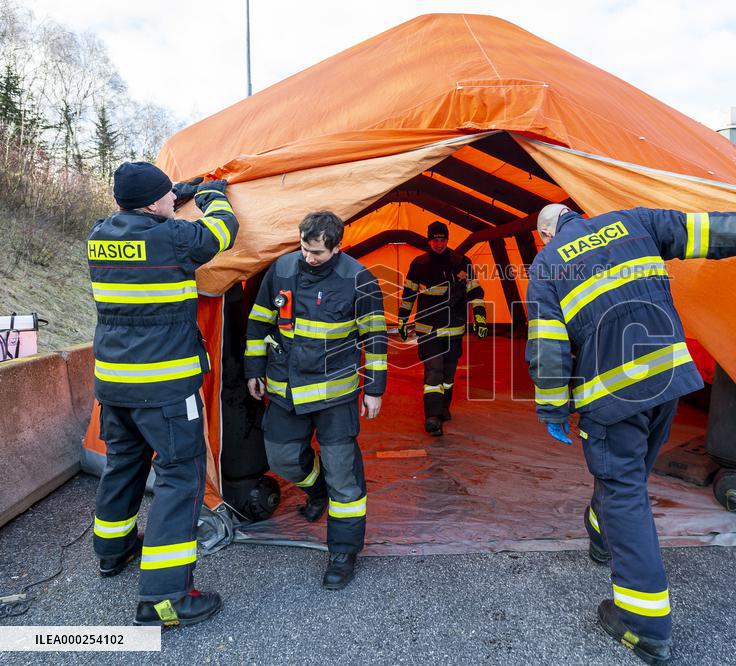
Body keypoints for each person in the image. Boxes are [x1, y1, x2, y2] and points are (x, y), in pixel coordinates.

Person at [525, 202, 736, 665]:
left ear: (545, 235)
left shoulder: (547, 265)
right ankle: (600, 534)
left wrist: (552, 407)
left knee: (622, 487)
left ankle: (642, 624)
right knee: (627, 477)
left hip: (613, 397)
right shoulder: (633, 223)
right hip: (669, 381)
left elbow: (549, 347)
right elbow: (721, 230)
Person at [89, 162, 238, 627]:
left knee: (123, 464)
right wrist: (213, 195)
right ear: (155, 202)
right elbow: (222, 232)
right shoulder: (174, 237)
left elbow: (146, 219)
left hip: (115, 386)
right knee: (179, 479)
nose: (173, 203)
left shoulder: (98, 236)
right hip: (168, 390)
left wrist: (177, 190)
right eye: (167, 198)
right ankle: (165, 599)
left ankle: (112, 553)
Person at [244, 211, 387, 590]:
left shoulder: (359, 279)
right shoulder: (281, 269)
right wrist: (252, 369)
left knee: (344, 473)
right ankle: (316, 487)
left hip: (335, 395)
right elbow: (259, 321)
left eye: (318, 253)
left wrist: (374, 388)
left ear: (338, 246)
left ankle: (343, 552)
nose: (308, 258)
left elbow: (375, 337)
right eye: (304, 249)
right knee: (281, 457)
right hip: (285, 389)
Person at [395, 221, 487, 436]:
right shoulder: (419, 264)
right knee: (434, 371)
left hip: (453, 331)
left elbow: (476, 293)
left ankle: (443, 407)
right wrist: (402, 320)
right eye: (435, 239)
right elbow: (409, 295)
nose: (439, 243)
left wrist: (481, 319)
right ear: (429, 240)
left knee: (448, 375)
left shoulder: (462, 262)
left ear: (447, 239)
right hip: (428, 330)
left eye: (442, 239)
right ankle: (432, 417)